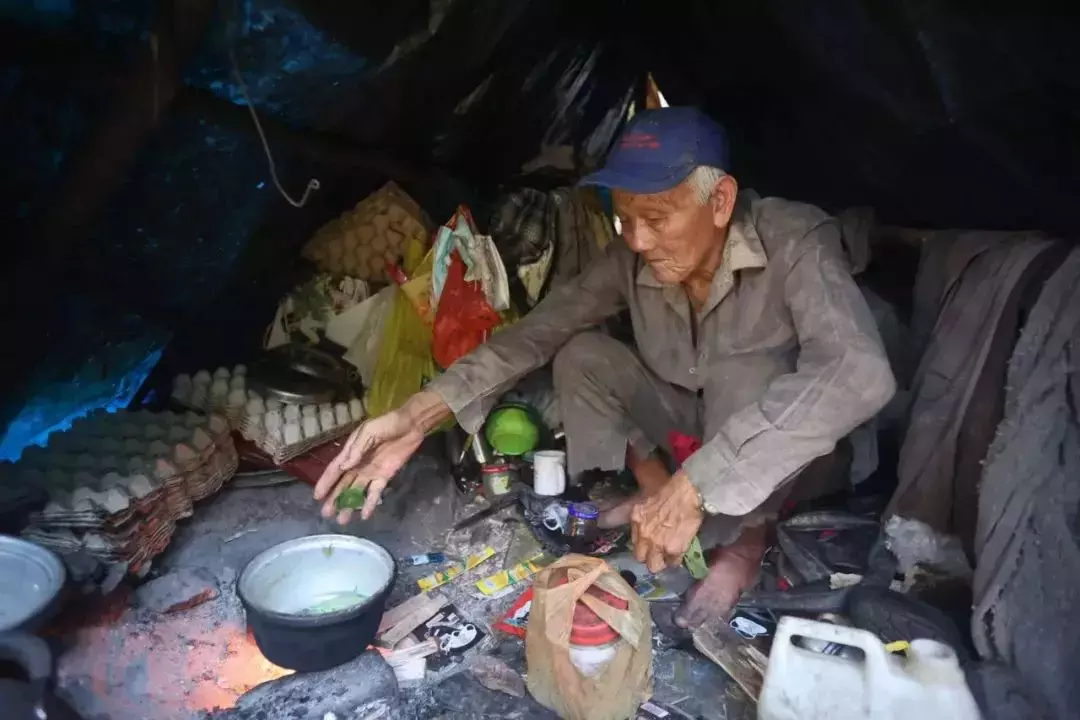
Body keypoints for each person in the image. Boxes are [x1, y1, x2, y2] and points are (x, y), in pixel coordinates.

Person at [314, 107, 896, 628]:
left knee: (749, 377)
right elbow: (536, 333)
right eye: (625, 219)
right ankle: (648, 494)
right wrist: (417, 416)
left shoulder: (794, 240)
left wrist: (698, 486)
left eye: (658, 217)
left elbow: (858, 371)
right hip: (689, 425)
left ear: (720, 203)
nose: (638, 240)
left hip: (784, 457)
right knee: (583, 353)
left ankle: (742, 545)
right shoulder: (631, 254)